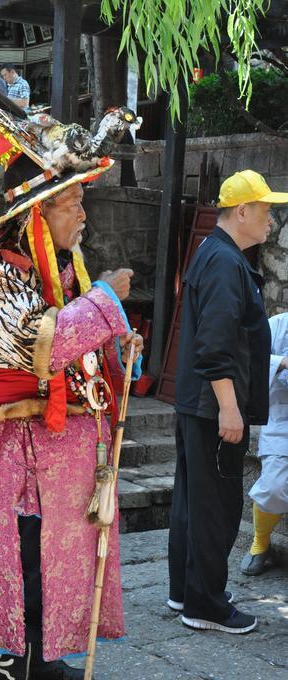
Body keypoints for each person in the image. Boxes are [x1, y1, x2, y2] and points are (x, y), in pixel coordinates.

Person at [0, 119, 142, 676]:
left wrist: (119, 347)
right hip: (26, 449)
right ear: (37, 211)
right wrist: (104, 300)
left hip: (69, 449)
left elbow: (81, 351)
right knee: (30, 554)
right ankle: (21, 662)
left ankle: (45, 655)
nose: (83, 213)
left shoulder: (61, 274)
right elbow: (41, 347)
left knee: (62, 561)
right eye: (71, 202)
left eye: (80, 200)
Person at [168, 169, 288, 634]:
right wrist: (230, 407)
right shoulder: (223, 261)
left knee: (192, 502)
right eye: (266, 210)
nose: (271, 221)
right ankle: (206, 605)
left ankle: (187, 591)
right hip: (214, 407)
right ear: (243, 212)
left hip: (199, 404)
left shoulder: (216, 252)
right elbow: (216, 344)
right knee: (215, 505)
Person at [241, 312, 288, 575]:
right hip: (281, 418)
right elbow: (247, 356)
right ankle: (260, 542)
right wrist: (281, 362)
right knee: (273, 487)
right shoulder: (275, 325)